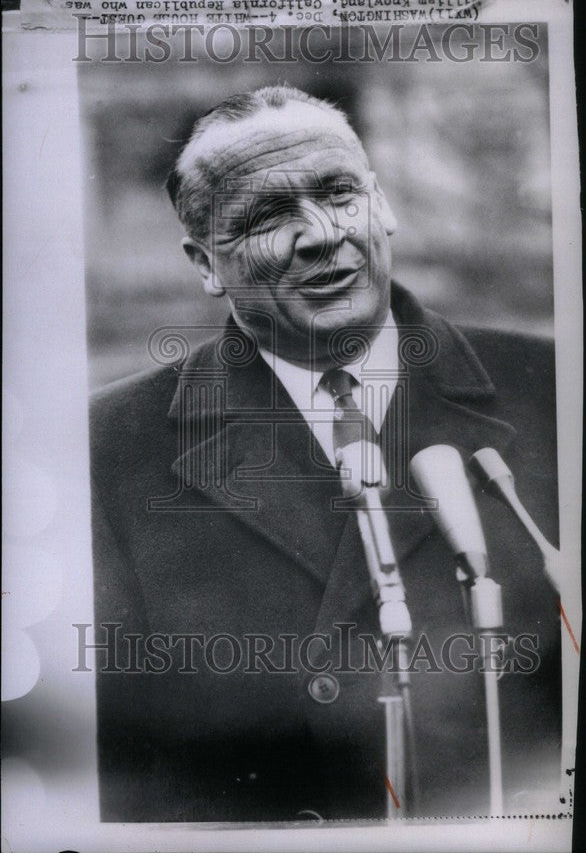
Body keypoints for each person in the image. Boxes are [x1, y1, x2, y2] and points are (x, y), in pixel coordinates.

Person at [90, 85, 561, 823]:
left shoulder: (555, 391)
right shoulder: (106, 445)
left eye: (339, 194)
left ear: (383, 205)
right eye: (265, 218)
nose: (318, 235)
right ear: (205, 265)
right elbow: (112, 768)